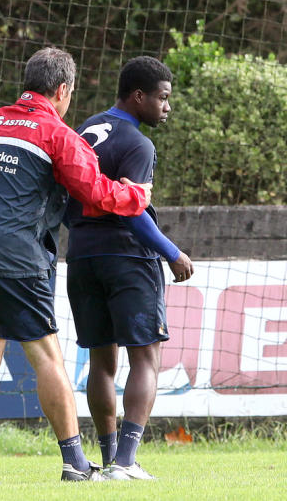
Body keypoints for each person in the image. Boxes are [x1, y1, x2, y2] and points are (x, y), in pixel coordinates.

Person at [0, 47, 153, 484]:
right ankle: (75, 462)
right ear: (62, 90)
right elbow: (96, 191)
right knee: (47, 357)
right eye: (70, 94)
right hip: (15, 256)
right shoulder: (55, 133)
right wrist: (138, 195)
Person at [65, 55, 193, 481]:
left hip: (81, 257)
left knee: (101, 360)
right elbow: (133, 212)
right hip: (127, 258)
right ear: (139, 96)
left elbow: (66, 203)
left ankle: (106, 459)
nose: (167, 107)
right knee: (146, 358)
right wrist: (172, 252)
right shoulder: (138, 144)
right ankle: (126, 461)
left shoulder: (83, 130)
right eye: (162, 98)